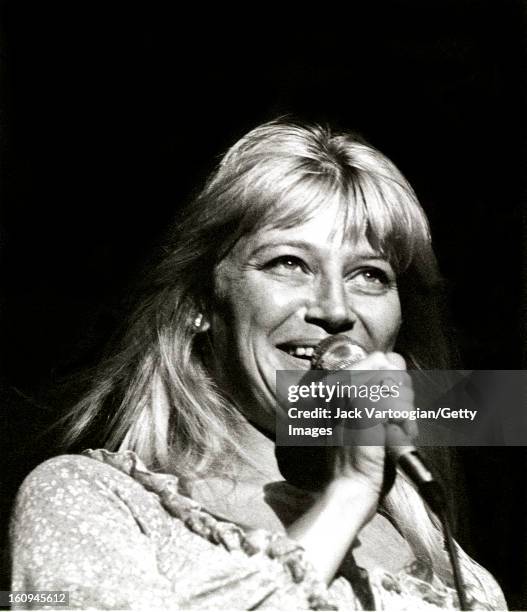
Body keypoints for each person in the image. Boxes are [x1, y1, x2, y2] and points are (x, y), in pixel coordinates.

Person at [9, 119, 506, 609]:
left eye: (369, 275)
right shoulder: (90, 502)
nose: (335, 309)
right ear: (199, 303)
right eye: (288, 263)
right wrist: (349, 494)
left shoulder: (456, 577)